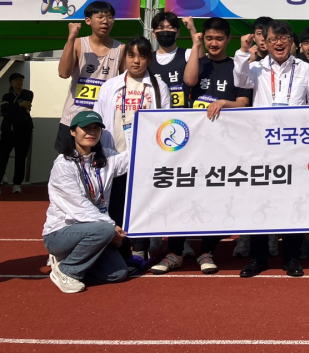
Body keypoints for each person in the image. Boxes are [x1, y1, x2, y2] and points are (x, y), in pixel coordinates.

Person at [151, 17, 253, 275]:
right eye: (209, 38)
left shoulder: (237, 66)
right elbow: (189, 81)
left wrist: (224, 103)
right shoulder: (197, 61)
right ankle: (175, 252)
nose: (214, 43)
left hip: (223, 144)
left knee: (216, 197)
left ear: (228, 39)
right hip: (191, 143)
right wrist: (196, 45)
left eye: (219, 38)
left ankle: (207, 251)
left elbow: (243, 102)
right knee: (181, 195)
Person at [234, 20, 309, 277]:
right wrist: (243, 51)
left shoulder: (305, 69)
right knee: (260, 201)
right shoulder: (256, 68)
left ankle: (291, 257)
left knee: (294, 202)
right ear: (266, 42)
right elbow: (240, 78)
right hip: (262, 146)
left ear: (291, 41)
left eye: (283, 38)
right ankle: (258, 258)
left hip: (295, 146)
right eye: (273, 39)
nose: (279, 43)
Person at [93, 36, 170, 265]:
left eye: (142, 56)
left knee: (142, 204)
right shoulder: (111, 86)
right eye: (131, 55)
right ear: (125, 58)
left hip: (145, 158)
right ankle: (119, 248)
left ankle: (141, 249)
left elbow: (166, 122)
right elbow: (98, 119)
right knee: (116, 204)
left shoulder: (158, 87)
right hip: (115, 155)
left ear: (149, 59)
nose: (136, 61)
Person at [43, 110, 131, 293]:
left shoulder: (106, 158)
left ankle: (69, 260)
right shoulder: (63, 165)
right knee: (105, 229)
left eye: (96, 128)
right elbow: (79, 207)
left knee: (118, 273)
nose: (91, 132)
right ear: (72, 131)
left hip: (95, 230)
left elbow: (135, 157)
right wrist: (111, 228)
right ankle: (67, 270)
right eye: (85, 128)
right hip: (61, 233)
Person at [56, 1, 125, 155]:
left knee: (102, 162)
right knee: (67, 161)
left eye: (109, 17)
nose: (105, 21)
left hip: (104, 120)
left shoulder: (121, 49)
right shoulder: (78, 44)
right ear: (88, 20)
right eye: (100, 17)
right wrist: (71, 37)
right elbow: (63, 73)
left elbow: (125, 83)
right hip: (73, 117)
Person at [149, 12, 200, 109]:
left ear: (178, 32)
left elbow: (201, 57)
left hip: (182, 114)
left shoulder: (188, 54)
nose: (165, 31)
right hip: (156, 114)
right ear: (154, 33)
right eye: (160, 28)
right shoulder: (148, 59)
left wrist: (192, 29)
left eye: (170, 27)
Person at [0, 73, 34, 193]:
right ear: (10, 82)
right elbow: (4, 110)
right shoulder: (6, 96)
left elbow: (26, 105)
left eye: (21, 80)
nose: (19, 82)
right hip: (8, 130)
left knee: (21, 157)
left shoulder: (27, 93)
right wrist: (20, 105)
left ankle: (17, 184)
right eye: (16, 80)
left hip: (24, 130)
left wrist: (11, 108)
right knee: (2, 156)